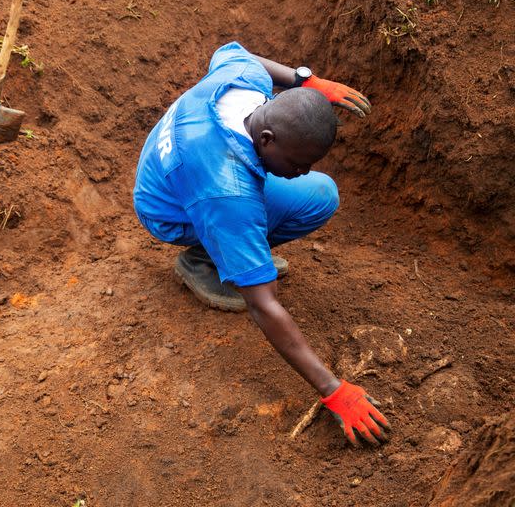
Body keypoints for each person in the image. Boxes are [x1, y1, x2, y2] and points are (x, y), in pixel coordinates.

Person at [133, 42, 390, 447]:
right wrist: (333, 389)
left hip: (180, 166)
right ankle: (204, 262)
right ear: (267, 138)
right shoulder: (227, 192)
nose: (300, 172)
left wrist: (306, 81)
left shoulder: (244, 83)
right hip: (169, 207)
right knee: (252, 247)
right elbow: (263, 304)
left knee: (319, 193)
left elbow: (238, 52)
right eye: (297, 164)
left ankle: (228, 248)